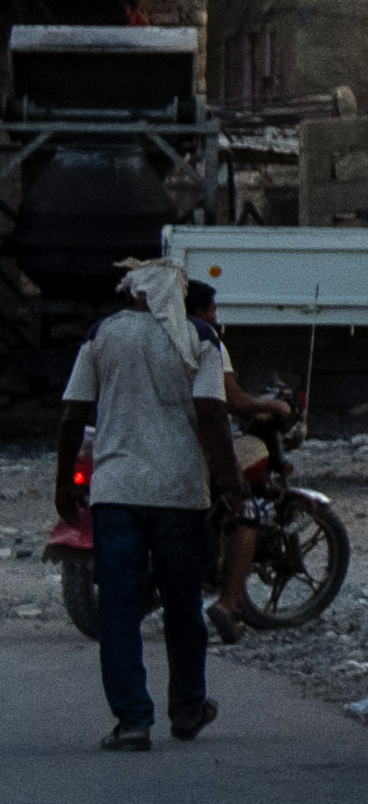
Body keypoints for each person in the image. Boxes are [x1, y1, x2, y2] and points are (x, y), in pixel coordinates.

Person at [69, 262, 272, 753]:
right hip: (179, 493)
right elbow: (211, 413)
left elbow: (73, 413)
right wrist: (231, 486)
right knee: (182, 604)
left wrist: (62, 484)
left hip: (116, 491)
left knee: (119, 606)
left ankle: (133, 721)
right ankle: (187, 708)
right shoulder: (199, 337)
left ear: (133, 295)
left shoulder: (102, 335)